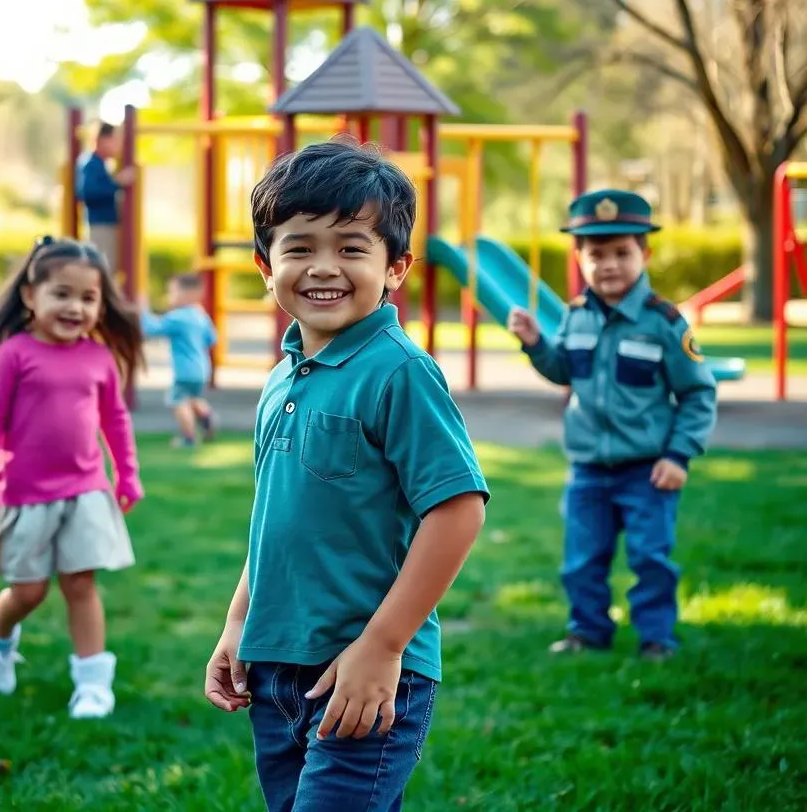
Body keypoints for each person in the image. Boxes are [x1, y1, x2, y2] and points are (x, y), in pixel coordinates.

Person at [203, 139, 489, 811]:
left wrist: (382, 646)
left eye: (352, 248)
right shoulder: (280, 379)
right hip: (277, 666)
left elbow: (458, 509)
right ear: (264, 267)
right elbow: (274, 518)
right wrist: (239, 620)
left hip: (366, 666)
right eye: (299, 248)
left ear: (396, 268)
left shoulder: (400, 372)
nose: (323, 267)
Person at [507, 189, 717, 661]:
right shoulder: (575, 317)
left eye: (621, 253)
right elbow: (564, 371)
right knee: (582, 560)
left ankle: (657, 638)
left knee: (650, 559)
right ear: (579, 258)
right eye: (596, 254)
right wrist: (536, 343)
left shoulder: (664, 323)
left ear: (645, 253)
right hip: (588, 469)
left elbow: (698, 392)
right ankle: (588, 632)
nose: (609, 265)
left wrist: (678, 455)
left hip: (649, 470)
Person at [0, 236, 145, 719]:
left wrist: (127, 473)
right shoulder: (15, 355)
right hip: (24, 495)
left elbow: (115, 421)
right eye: (61, 294)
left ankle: (92, 686)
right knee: (29, 591)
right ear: (30, 295)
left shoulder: (99, 358)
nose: (75, 307)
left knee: (81, 585)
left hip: (86, 490)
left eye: (88, 298)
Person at [141, 273, 218, 448]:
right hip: (202, 369)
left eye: (173, 292)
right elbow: (212, 339)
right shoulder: (201, 315)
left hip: (184, 370)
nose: (170, 296)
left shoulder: (178, 317)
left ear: (188, 295)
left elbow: (151, 328)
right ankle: (206, 416)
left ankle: (188, 437)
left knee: (177, 400)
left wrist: (142, 310)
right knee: (193, 397)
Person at [76, 121, 133, 277]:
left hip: (105, 222)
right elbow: (86, 192)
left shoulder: (99, 163)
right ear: (102, 140)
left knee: (107, 267)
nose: (118, 145)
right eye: (114, 140)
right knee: (102, 268)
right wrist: (116, 184)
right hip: (100, 223)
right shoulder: (91, 163)